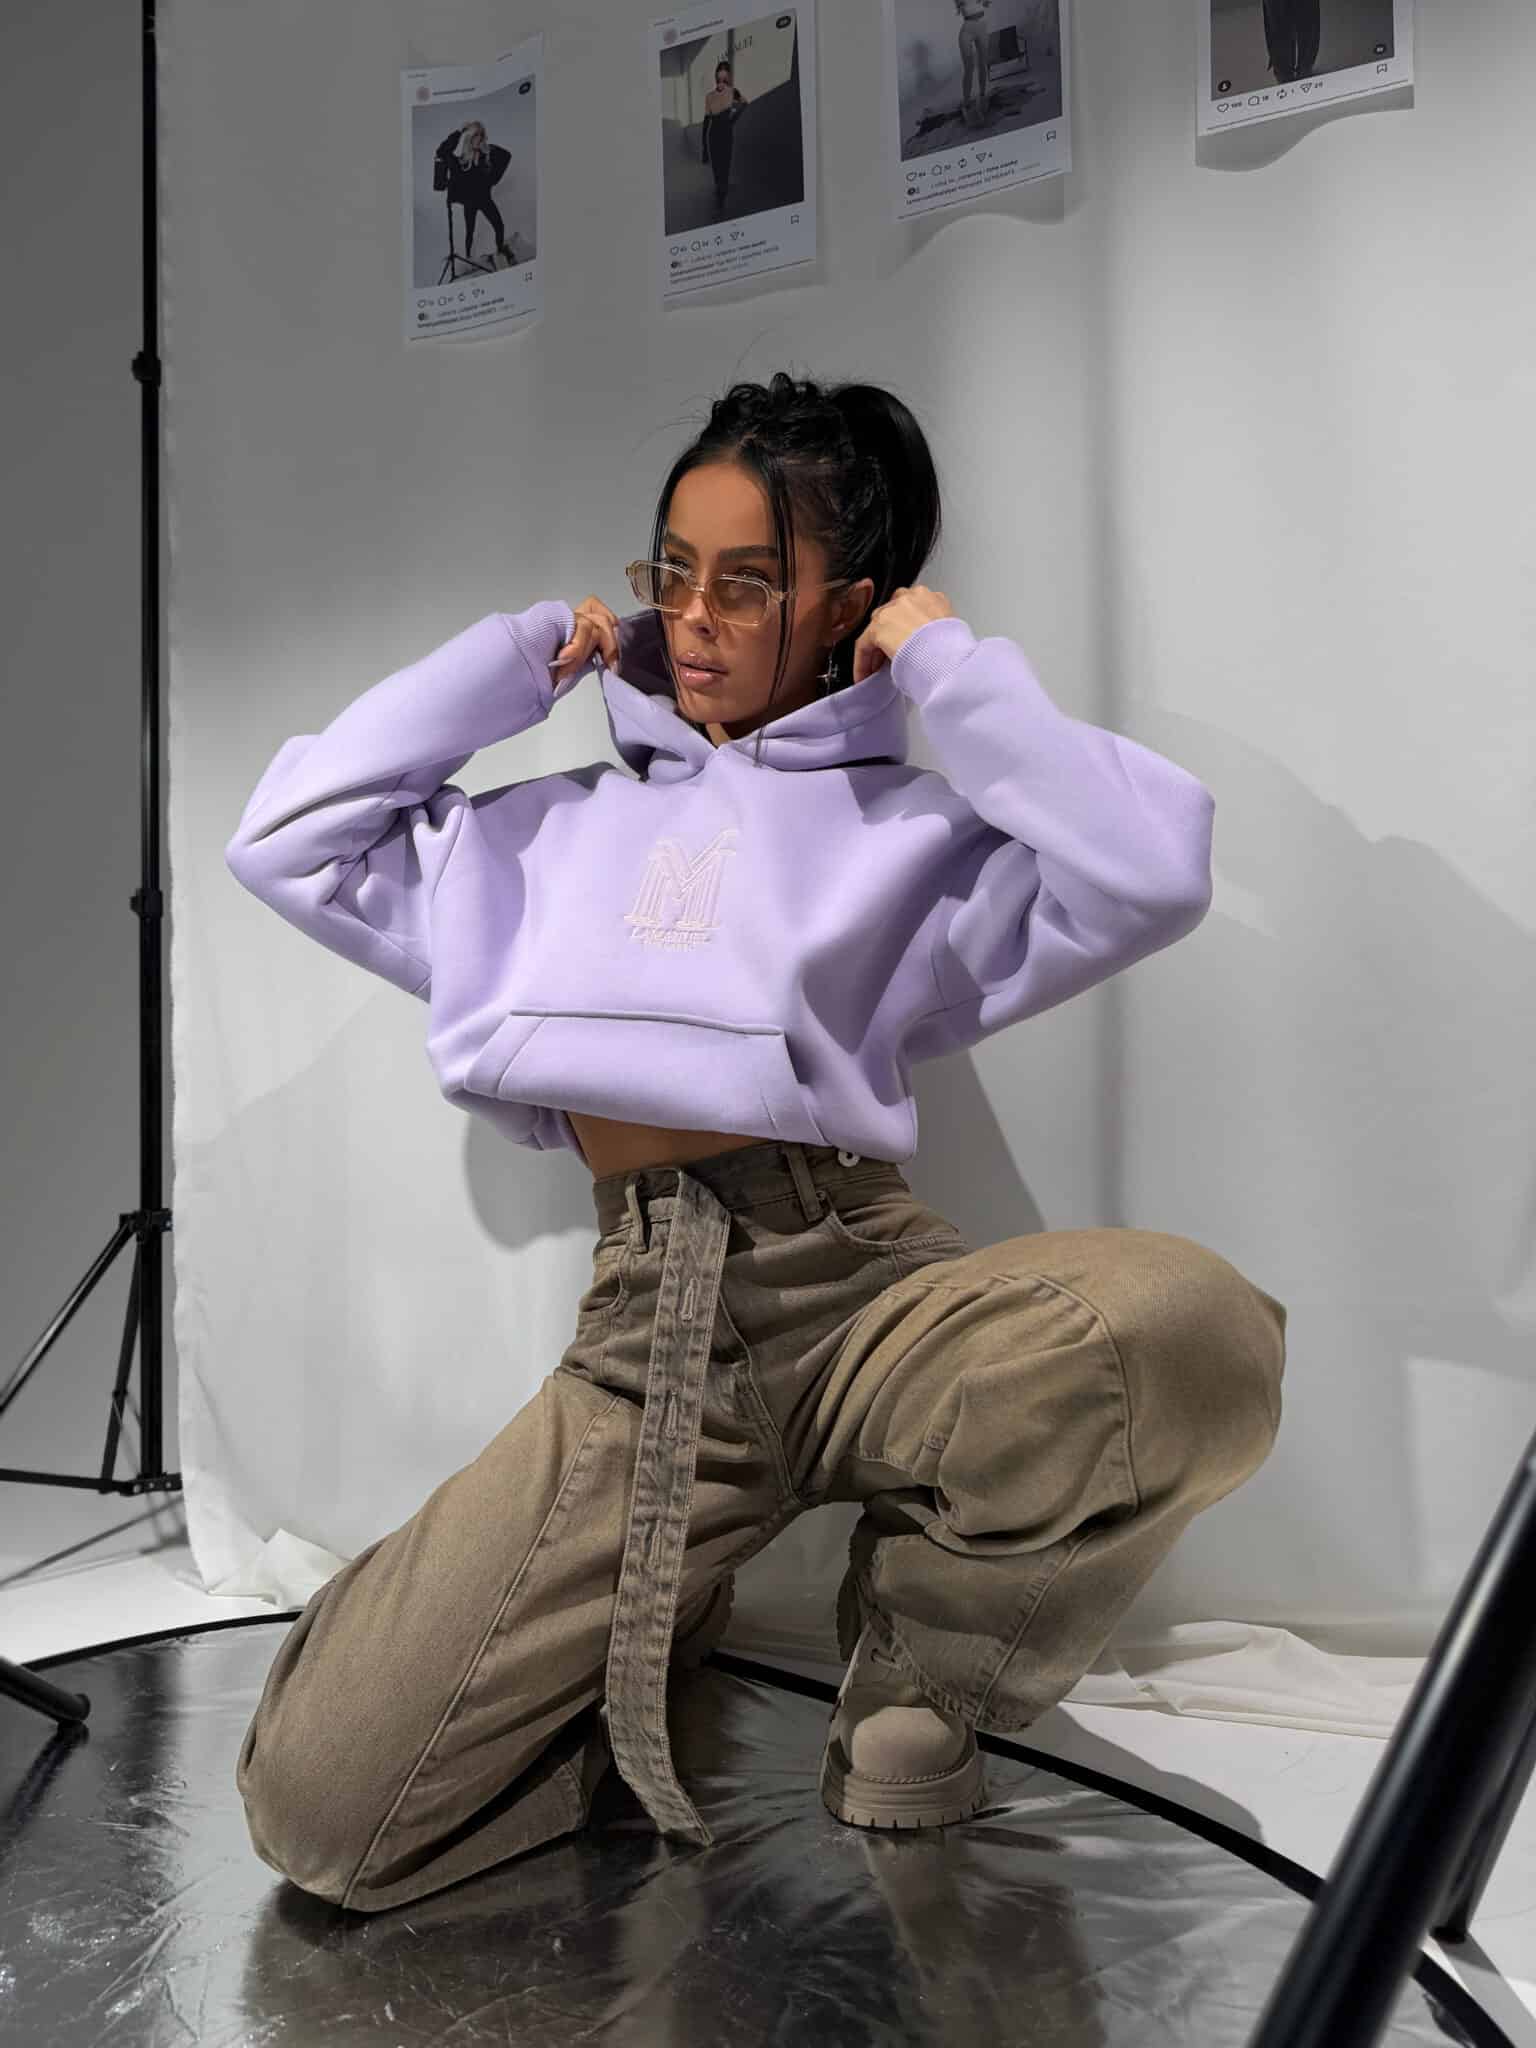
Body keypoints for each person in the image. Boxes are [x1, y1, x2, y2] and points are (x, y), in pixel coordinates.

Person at [226, 372, 1288, 1910]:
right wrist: (508, 666)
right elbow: (285, 839)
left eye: (745, 582)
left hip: (858, 1288)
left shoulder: (913, 835)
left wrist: (950, 672)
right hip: (642, 1344)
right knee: (322, 1811)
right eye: (674, 571)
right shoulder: (535, 831)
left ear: (846, 605)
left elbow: (1152, 867)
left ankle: (924, 1679)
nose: (694, 617)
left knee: (1194, 1331)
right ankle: (635, 1649)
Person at [433, 120, 512, 266]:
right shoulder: (461, 162)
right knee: (470, 232)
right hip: (469, 203)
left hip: (485, 200)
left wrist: (490, 149)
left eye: (482, 135)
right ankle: (469, 258)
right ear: (470, 138)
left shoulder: (486, 158)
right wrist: (459, 131)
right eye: (476, 135)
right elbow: (442, 152)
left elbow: (506, 155)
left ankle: (500, 251)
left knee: (499, 225)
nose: (480, 138)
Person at [701, 60, 748, 210]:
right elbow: (706, 121)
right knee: (716, 169)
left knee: (725, 168)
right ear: (716, 75)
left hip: (726, 135)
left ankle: (721, 197)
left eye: (725, 71)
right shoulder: (709, 96)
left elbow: (744, 103)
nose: (721, 74)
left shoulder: (733, 91)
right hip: (713, 136)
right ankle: (719, 193)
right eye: (719, 71)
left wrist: (732, 119)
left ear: (728, 75)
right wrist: (704, 147)